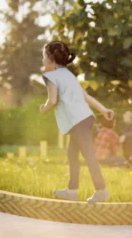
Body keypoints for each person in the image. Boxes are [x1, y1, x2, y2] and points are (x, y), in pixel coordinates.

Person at [39, 41, 114, 203]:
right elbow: (86, 97)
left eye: (44, 57)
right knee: (72, 153)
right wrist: (103, 109)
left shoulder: (51, 76)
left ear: (51, 58)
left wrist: (43, 109)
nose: (43, 61)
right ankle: (72, 191)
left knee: (88, 154)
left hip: (78, 120)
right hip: (84, 118)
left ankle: (101, 190)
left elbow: (52, 100)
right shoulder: (69, 76)